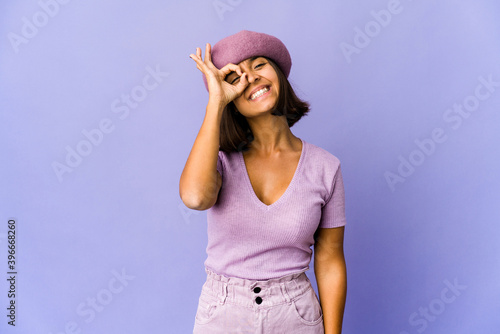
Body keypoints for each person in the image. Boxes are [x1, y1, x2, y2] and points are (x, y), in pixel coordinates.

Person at [180, 30, 347, 334]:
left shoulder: (326, 167)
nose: (252, 78)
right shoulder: (219, 161)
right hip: (224, 313)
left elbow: (330, 258)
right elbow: (194, 197)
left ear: (279, 75)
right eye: (237, 77)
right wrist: (215, 102)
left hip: (295, 313)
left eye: (259, 65)